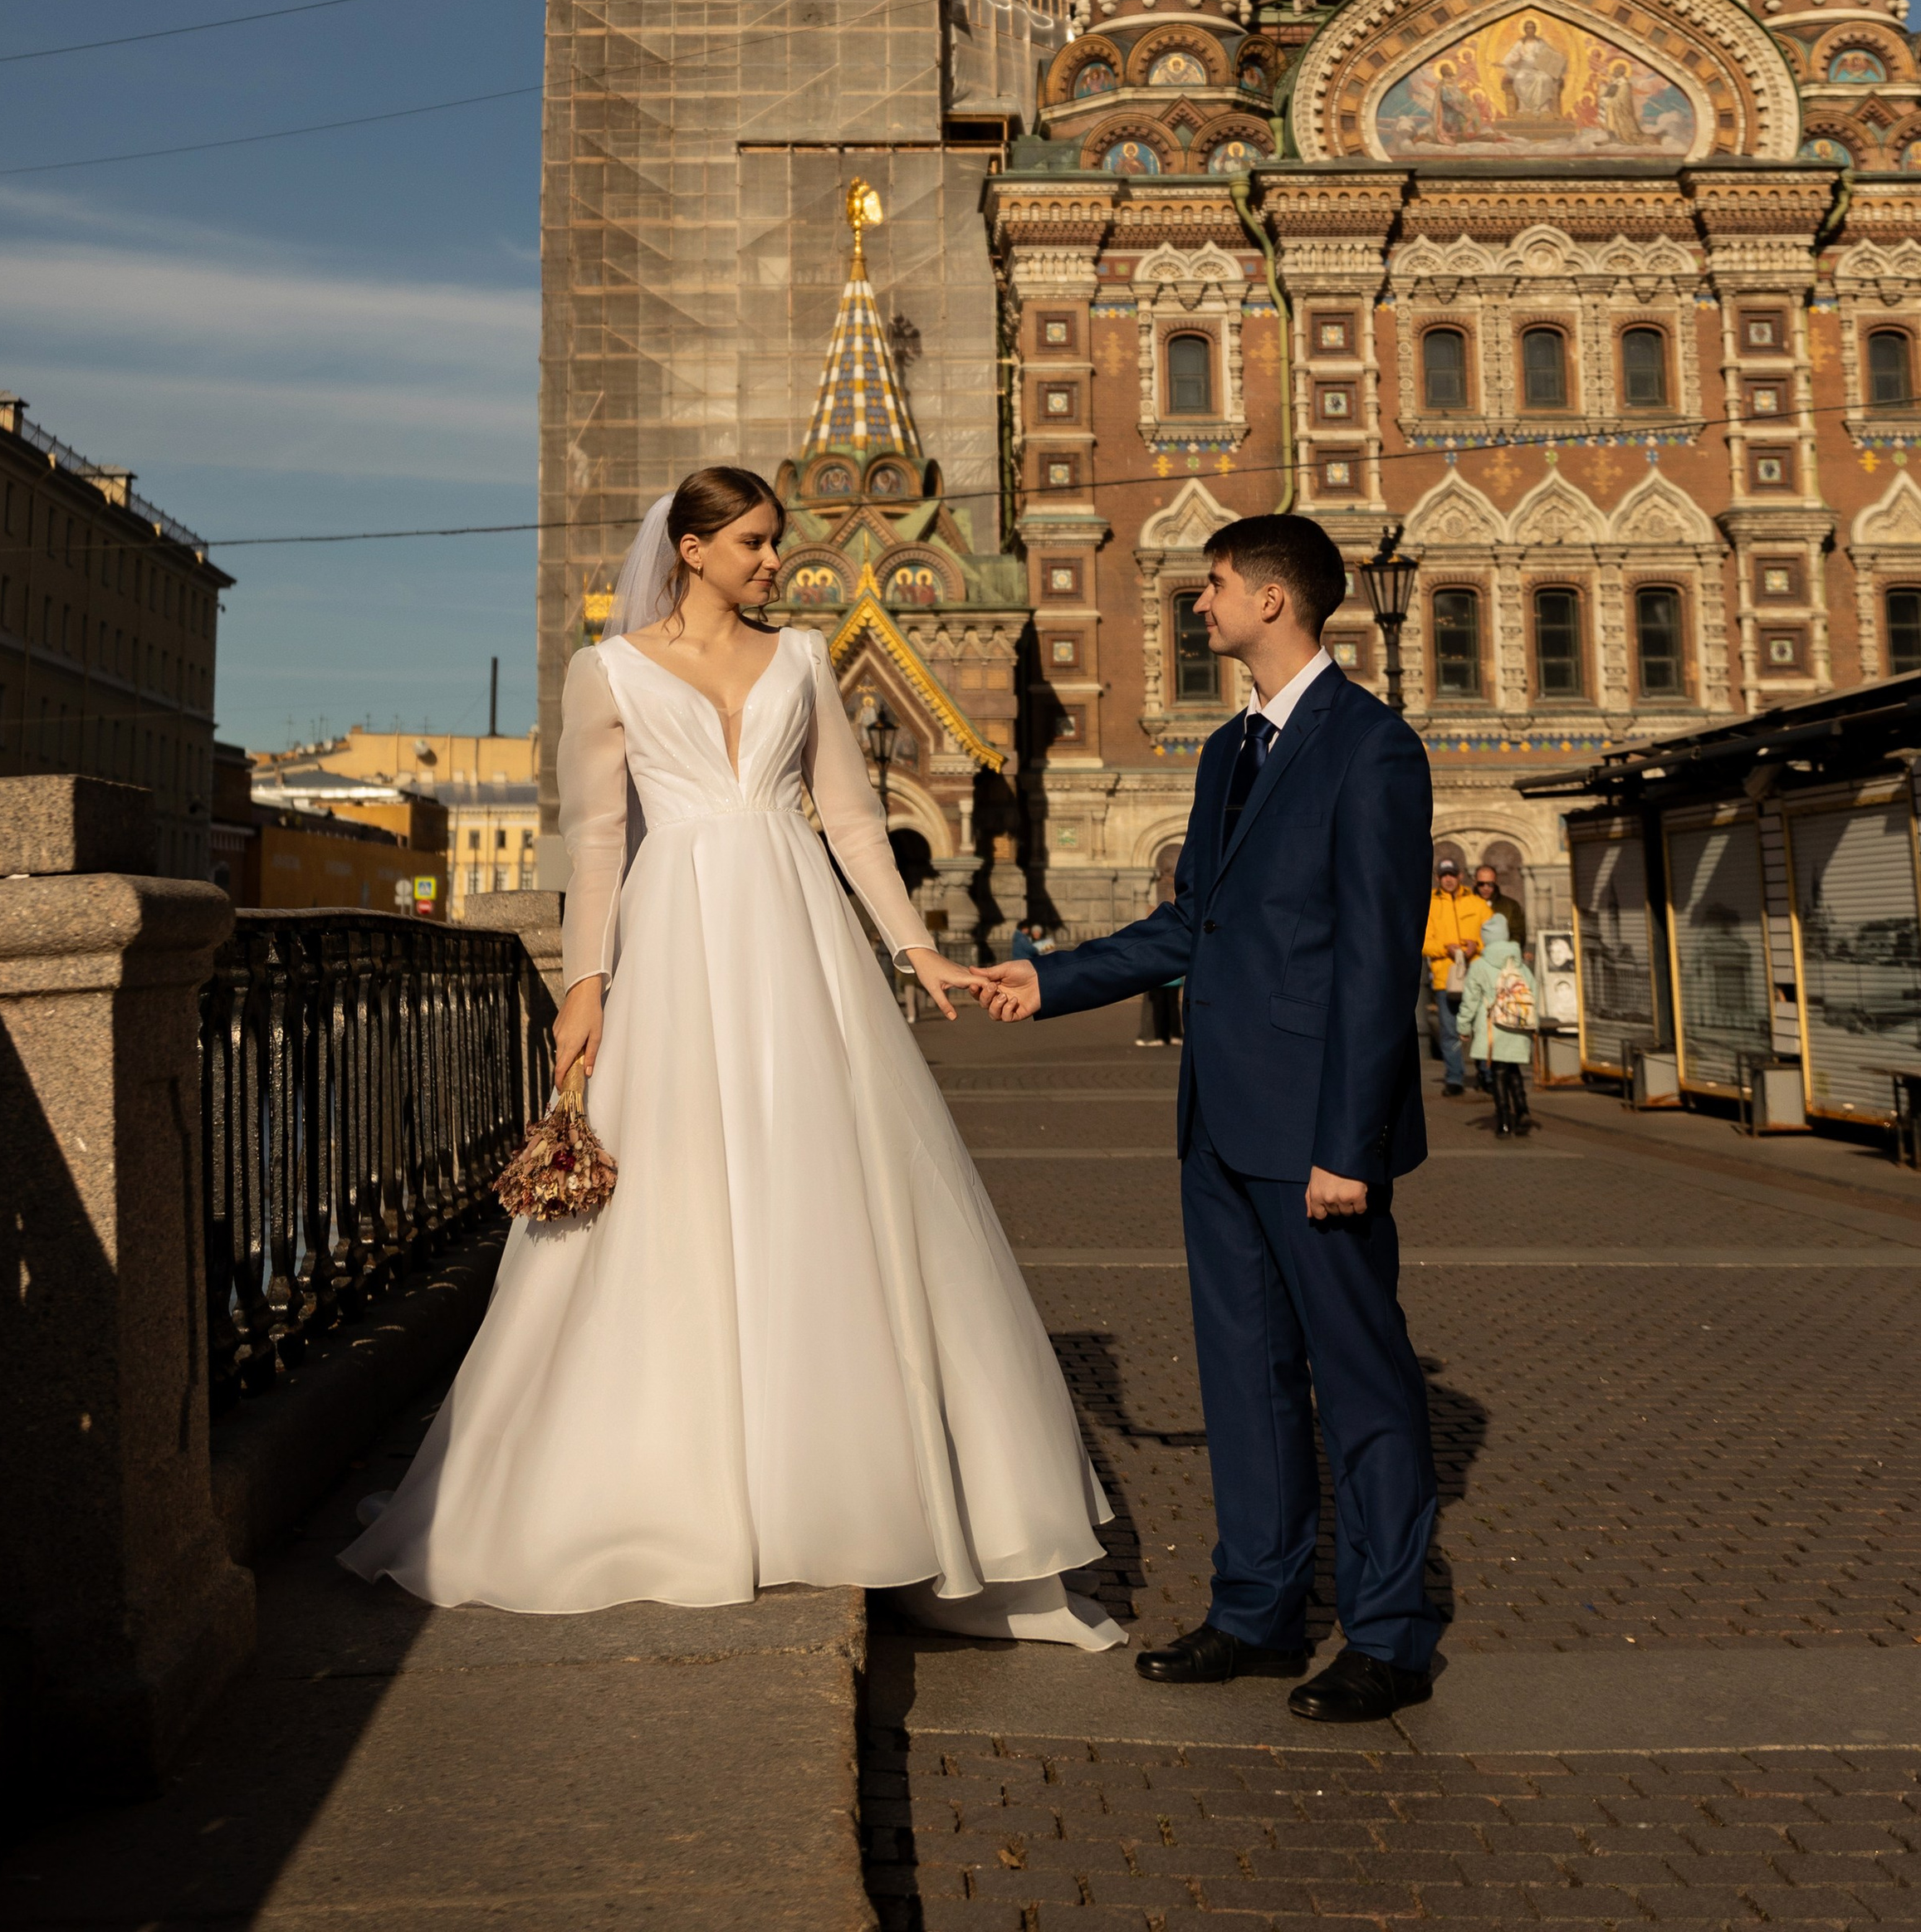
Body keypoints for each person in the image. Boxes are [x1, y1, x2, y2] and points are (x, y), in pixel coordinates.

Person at [343, 467, 1122, 1649]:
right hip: (676, 940)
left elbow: (852, 820)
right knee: (678, 1189)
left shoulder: (802, 658)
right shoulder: (607, 671)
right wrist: (584, 986)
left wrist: (914, 949)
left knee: (830, 1186)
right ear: (691, 549)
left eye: (775, 542)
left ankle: (859, 1498)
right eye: (754, 543)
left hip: (800, 938)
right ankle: (668, 1487)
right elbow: (595, 841)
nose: (773, 562)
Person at [969, 512, 1440, 1724]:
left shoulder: (1373, 748)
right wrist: (1050, 979)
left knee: (1363, 1384)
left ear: (1272, 600)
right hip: (1221, 1121)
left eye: (1215, 583)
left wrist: (1351, 1145)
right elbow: (1195, 924)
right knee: (1243, 1378)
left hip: (1317, 1134)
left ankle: (1389, 1636)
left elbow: (1379, 962)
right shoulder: (1230, 748)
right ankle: (1257, 1613)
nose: (1197, 603)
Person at [1458, 912, 1537, 1138]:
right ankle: (1522, 1110)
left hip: (1493, 1026)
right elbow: (1533, 992)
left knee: (1498, 1071)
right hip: (1518, 1024)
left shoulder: (1480, 966)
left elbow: (1470, 1000)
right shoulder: (1519, 963)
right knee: (1513, 1068)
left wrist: (1463, 1027)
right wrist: (1535, 1024)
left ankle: (1503, 1120)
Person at [1421, 863, 1487, 1098]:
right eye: (1443, 875)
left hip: (1476, 977)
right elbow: (1422, 941)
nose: (1448, 879)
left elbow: (1491, 935)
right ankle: (1454, 1079)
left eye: (1451, 875)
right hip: (1445, 981)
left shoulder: (1477, 903)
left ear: (1460, 876)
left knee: (1481, 1028)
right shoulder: (1429, 904)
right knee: (1450, 1032)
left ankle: (1486, 1076)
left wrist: (1476, 945)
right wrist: (1444, 948)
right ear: (1437, 877)